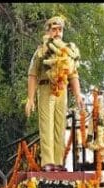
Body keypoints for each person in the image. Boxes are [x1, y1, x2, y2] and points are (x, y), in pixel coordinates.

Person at [26, 15, 84, 172]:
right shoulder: (42, 51)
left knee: (60, 125)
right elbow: (32, 74)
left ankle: (58, 162)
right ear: (48, 31)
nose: (57, 32)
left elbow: (73, 75)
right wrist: (30, 98)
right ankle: (47, 161)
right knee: (47, 125)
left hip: (62, 89)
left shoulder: (67, 51)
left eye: (60, 29)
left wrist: (78, 95)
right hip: (46, 88)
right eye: (54, 29)